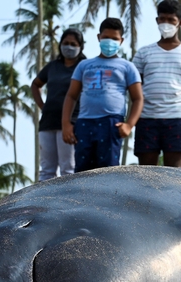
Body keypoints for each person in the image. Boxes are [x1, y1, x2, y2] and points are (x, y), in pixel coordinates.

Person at [61, 18, 143, 172]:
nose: (109, 42)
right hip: (84, 123)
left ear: (121, 40)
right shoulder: (84, 65)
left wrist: (129, 125)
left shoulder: (127, 67)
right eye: (106, 38)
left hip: (111, 124)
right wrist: (66, 124)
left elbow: (138, 98)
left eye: (114, 39)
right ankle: (82, 197)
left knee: (108, 171)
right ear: (99, 37)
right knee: (82, 170)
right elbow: (71, 96)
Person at [132, 0, 181, 167]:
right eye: (163, 19)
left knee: (174, 173)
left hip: (178, 118)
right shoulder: (143, 53)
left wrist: (180, 108)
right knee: (145, 171)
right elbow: (135, 88)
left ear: (180, 22)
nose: (166, 23)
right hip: (147, 118)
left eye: (171, 20)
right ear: (157, 21)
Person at [32, 29, 86, 181]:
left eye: (73, 44)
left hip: (71, 124)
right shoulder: (52, 66)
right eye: (66, 43)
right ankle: (43, 204)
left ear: (80, 46)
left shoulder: (84, 66)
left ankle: (67, 203)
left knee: (68, 168)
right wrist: (42, 106)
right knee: (47, 170)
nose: (69, 47)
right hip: (48, 122)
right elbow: (35, 85)